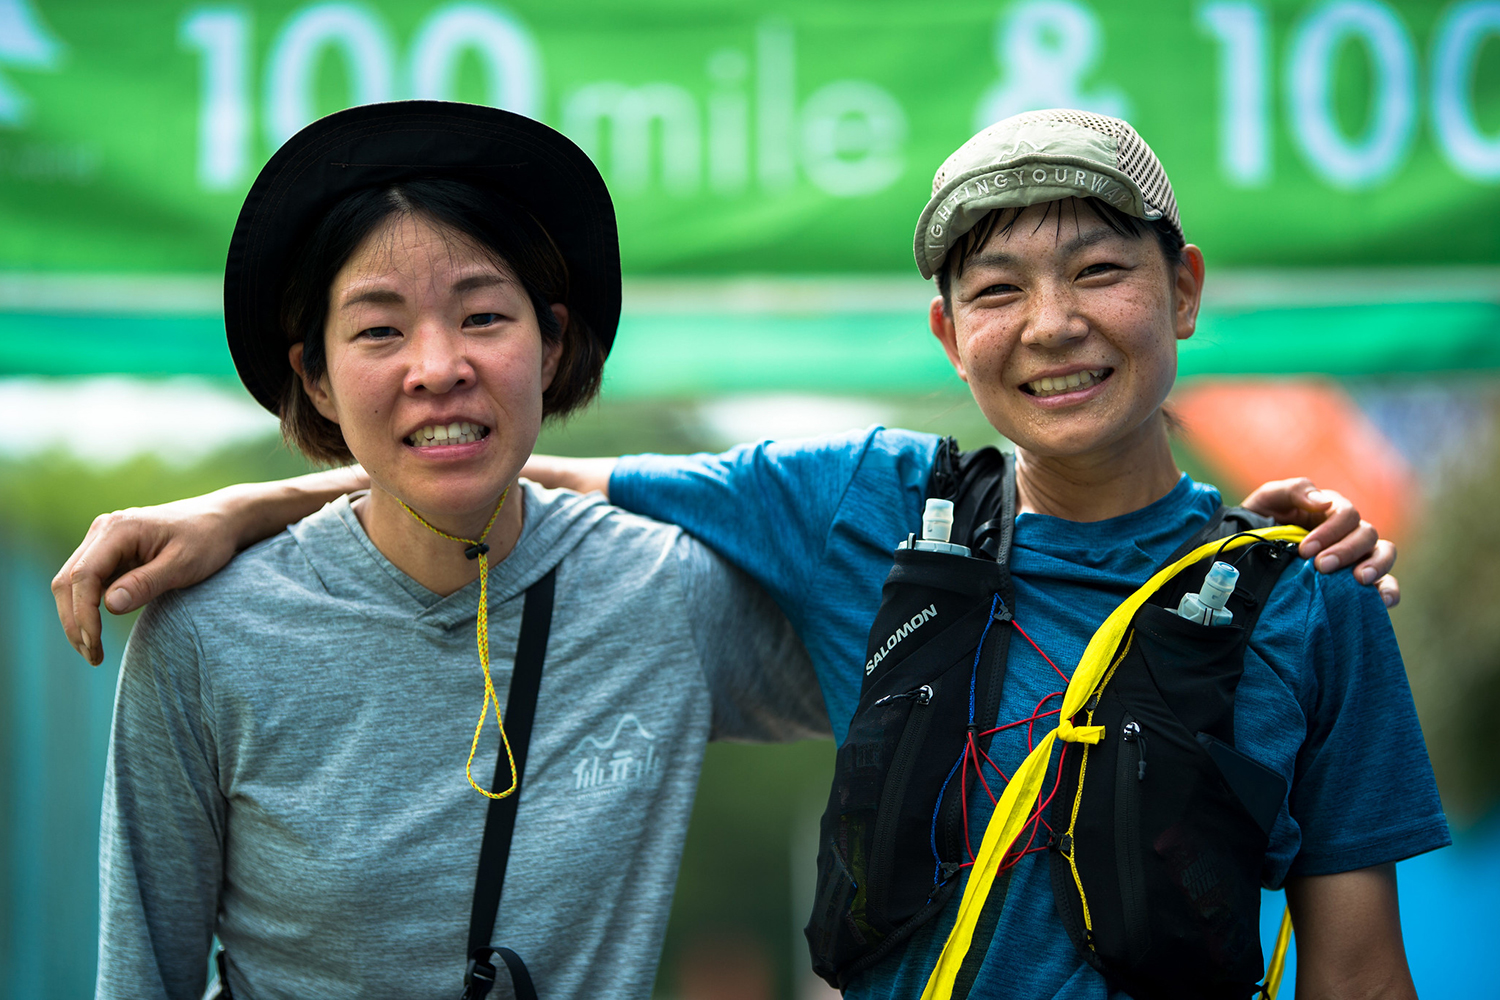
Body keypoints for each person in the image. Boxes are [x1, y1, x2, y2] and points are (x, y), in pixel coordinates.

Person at [55, 111, 1409, 997]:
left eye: (1100, 272)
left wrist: (1262, 545)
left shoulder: (1311, 597)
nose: (1052, 324)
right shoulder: (870, 510)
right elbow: (497, 466)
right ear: (949, 334)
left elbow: (1359, 970)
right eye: (999, 289)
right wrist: (249, 509)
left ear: (1183, 288)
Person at [91, 101, 826, 1000]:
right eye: (379, 330)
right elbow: (140, 971)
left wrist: (260, 500)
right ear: (315, 378)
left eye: (482, 316)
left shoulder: (661, 591)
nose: (438, 367)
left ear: (551, 345)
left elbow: (923, 662)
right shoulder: (207, 635)